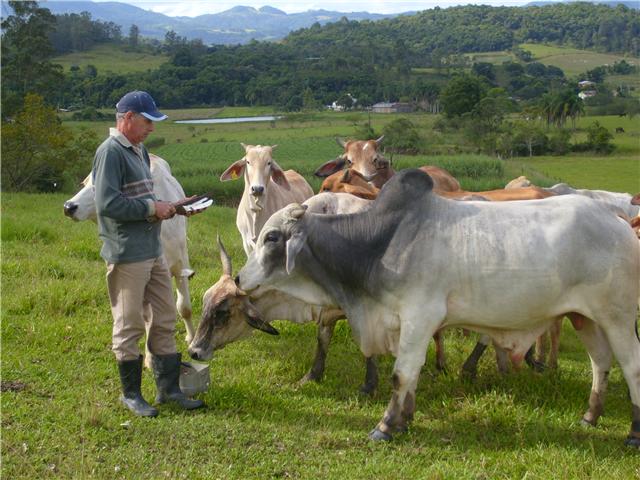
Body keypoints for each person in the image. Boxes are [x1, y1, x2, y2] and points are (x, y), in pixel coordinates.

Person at [93, 91, 204, 416]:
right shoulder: (110, 152)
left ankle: (168, 390)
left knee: (165, 316)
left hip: (152, 249)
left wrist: (175, 208)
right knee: (128, 325)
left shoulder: (138, 150)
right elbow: (107, 204)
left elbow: (146, 197)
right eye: (147, 121)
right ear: (127, 118)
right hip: (127, 252)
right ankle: (130, 395)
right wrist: (151, 208)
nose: (151, 128)